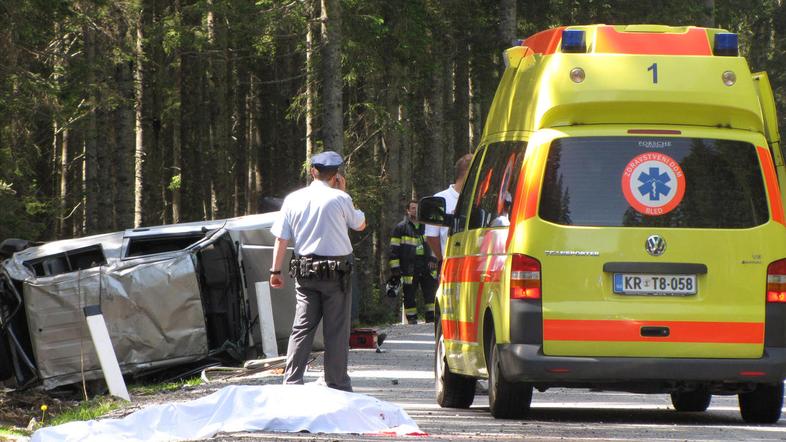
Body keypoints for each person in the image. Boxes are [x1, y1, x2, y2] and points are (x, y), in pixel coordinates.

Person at [268, 150, 366, 392]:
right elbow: (360, 224)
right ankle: (337, 383)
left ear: (313, 171)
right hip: (336, 274)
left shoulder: (293, 199)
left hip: (306, 271)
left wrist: (275, 271)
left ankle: (291, 382)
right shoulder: (340, 199)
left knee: (302, 327)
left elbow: (281, 239)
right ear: (337, 175)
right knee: (336, 330)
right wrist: (344, 193)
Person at [388, 200, 438, 324]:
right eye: (413, 208)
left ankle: (431, 321)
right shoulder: (400, 228)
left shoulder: (426, 226)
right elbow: (394, 249)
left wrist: (433, 259)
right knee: (409, 294)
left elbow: (434, 244)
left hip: (427, 264)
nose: (415, 210)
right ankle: (412, 321)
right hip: (408, 266)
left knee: (430, 293)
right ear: (408, 210)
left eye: (417, 208)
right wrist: (395, 269)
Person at [425, 153, 474, 263]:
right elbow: (431, 237)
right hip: (450, 264)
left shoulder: (480, 199)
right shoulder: (439, 199)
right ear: (468, 173)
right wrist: (442, 259)